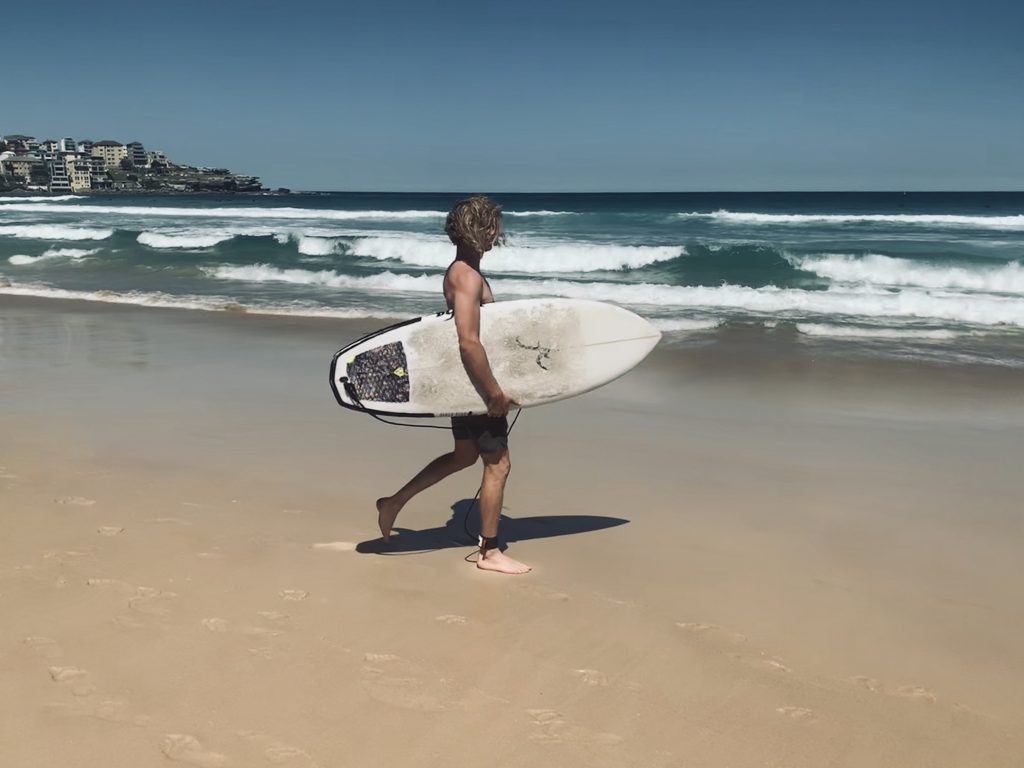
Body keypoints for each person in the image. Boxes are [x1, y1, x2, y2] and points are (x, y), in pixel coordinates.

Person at [375, 196, 531, 575]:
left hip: (464, 384)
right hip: (476, 388)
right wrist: (493, 392)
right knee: (498, 465)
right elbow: (468, 340)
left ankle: (392, 503)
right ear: (479, 228)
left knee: (463, 456)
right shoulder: (466, 276)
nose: (497, 232)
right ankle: (490, 552)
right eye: (493, 224)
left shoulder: (465, 272)